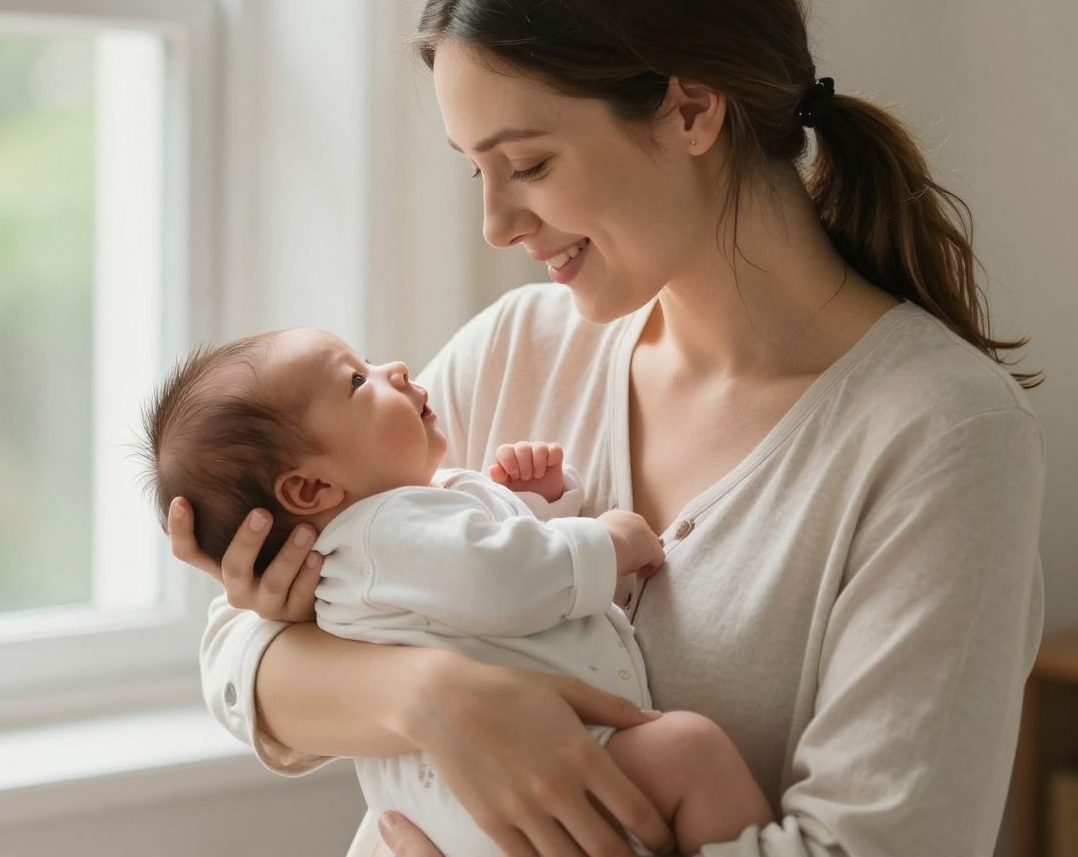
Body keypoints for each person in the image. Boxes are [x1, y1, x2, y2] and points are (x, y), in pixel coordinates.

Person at [175, 0, 1046, 857]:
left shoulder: (939, 438)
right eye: (476, 170)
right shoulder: (517, 349)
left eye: (530, 165)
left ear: (690, 110)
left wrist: (361, 692)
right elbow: (237, 655)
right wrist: (439, 700)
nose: (498, 224)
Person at [139, 326, 773, 853]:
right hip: (508, 801)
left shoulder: (390, 528)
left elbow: (479, 577)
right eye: (357, 380)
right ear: (311, 491)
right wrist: (604, 542)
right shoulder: (386, 527)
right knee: (693, 755)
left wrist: (540, 499)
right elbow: (501, 580)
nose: (393, 367)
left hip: (461, 814)